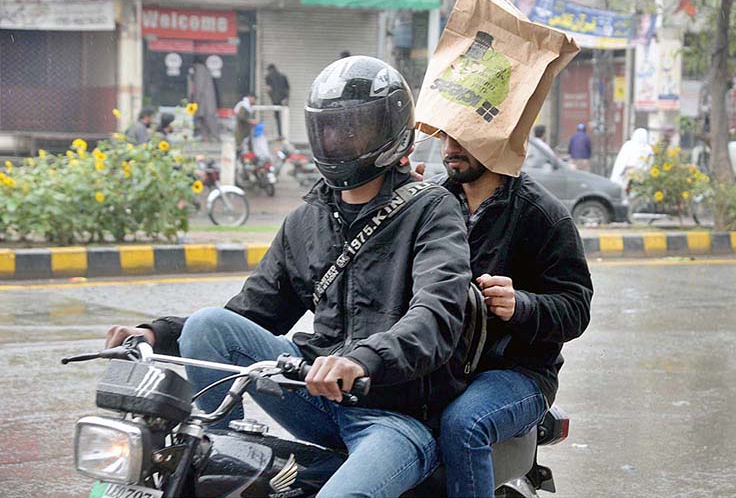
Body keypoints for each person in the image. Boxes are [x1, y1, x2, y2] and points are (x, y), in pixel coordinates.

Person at [105, 56, 473, 498]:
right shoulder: (306, 220)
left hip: (396, 416)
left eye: (355, 127)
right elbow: (250, 315)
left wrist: (361, 361)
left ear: (392, 131)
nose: (339, 140)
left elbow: (436, 315)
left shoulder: (431, 209)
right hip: (315, 398)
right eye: (330, 128)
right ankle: (216, 450)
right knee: (208, 325)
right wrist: (153, 334)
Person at [418, 130, 593, 497]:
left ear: (498, 140)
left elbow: (576, 307)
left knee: (465, 424)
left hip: (517, 372)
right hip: (438, 363)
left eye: (465, 138)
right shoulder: (429, 201)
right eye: (446, 137)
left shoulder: (543, 215)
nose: (450, 149)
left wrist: (522, 305)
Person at [188, 56, 221, 143]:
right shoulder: (202, 70)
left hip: (204, 102)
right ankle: (206, 138)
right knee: (204, 120)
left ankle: (215, 138)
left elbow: (199, 87)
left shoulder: (199, 70)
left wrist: (195, 101)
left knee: (208, 120)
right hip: (205, 102)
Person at [265, 63, 290, 137]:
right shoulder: (283, 76)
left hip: (275, 100)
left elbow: (268, 89)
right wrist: (286, 99)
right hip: (283, 100)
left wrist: (272, 97)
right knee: (284, 116)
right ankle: (283, 134)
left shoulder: (268, 77)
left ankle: (279, 134)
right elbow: (287, 88)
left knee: (277, 117)